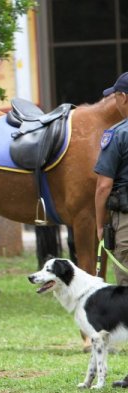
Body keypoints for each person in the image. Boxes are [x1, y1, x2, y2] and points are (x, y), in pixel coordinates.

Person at [95, 71, 128, 288]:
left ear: (123, 97)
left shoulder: (117, 134)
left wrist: (99, 226)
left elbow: (103, 186)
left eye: (114, 96)